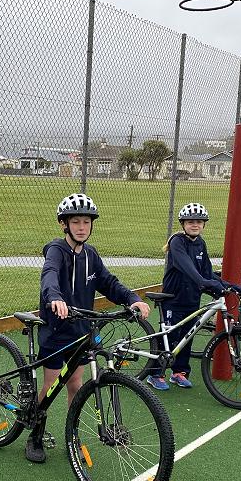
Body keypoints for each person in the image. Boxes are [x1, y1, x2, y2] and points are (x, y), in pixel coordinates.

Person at [29, 193, 151, 463]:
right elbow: (49, 275)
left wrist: (132, 299)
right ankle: (35, 434)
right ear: (64, 224)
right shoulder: (56, 251)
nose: (82, 227)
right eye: (75, 222)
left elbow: (109, 282)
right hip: (57, 329)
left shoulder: (91, 255)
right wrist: (55, 298)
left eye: (86, 222)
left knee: (75, 383)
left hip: (81, 329)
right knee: (51, 385)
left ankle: (71, 437)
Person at [145, 202, 241, 391]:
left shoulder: (200, 244)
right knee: (170, 336)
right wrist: (203, 282)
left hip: (192, 298)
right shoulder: (177, 242)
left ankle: (179, 372)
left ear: (204, 224)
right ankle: (155, 373)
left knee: (188, 335)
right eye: (190, 222)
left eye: (198, 221)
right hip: (173, 298)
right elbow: (187, 267)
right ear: (183, 224)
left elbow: (206, 272)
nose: (195, 225)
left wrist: (228, 285)